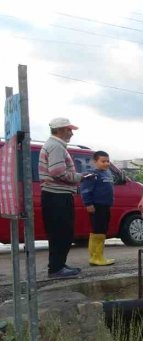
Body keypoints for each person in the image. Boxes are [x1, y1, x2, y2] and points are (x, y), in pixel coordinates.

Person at [38, 117, 84, 279]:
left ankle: (58, 265)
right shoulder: (56, 146)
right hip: (57, 195)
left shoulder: (54, 145)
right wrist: (79, 177)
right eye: (68, 129)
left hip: (55, 195)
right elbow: (57, 172)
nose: (71, 133)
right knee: (62, 232)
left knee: (59, 232)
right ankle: (56, 268)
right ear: (60, 130)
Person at [80, 150, 115, 266]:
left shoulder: (107, 173)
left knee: (103, 230)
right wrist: (88, 204)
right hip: (96, 206)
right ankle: (96, 257)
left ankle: (98, 255)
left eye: (108, 161)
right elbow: (85, 190)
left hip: (106, 206)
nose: (106, 163)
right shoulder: (92, 175)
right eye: (103, 161)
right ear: (95, 162)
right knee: (98, 230)